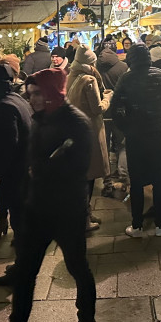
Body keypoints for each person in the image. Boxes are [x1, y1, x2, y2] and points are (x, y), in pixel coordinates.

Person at [0, 68, 97, 322]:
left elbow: (78, 168)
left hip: (67, 209)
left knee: (77, 267)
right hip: (38, 208)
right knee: (25, 272)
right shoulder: (39, 119)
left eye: (39, 93)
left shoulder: (76, 122)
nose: (34, 99)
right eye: (30, 94)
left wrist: (44, 167)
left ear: (54, 91)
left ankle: (86, 321)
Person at [111, 45, 161, 237]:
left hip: (136, 137)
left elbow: (115, 109)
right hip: (157, 135)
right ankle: (160, 225)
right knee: (158, 181)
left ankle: (137, 225)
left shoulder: (126, 78)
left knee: (137, 182)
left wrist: (126, 128)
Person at [0, 64, 31, 247]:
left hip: (15, 169)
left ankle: (21, 261)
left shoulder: (3, 108)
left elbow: (8, 145)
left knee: (17, 210)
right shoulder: (17, 99)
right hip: (25, 165)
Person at [66, 46, 112, 232]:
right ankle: (84, 218)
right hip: (90, 130)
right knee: (90, 176)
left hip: (75, 129)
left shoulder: (70, 76)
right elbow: (97, 108)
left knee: (82, 175)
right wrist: (108, 97)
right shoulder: (89, 80)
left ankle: (85, 211)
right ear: (90, 63)